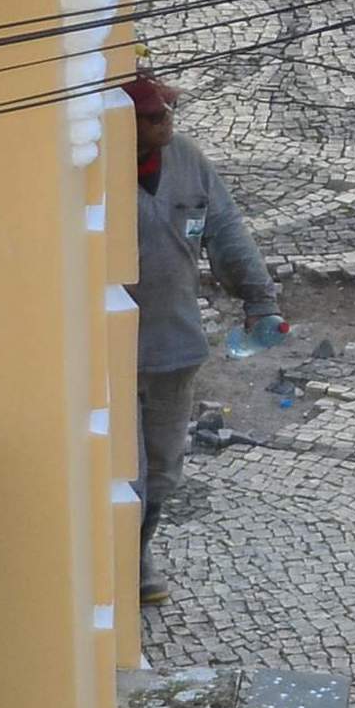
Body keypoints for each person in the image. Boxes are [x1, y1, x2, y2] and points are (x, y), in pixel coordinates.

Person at [128, 68, 279, 610]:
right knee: (128, 473)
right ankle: (124, 564)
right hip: (109, 361)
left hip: (175, 350)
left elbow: (227, 230)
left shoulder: (188, 160)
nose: (165, 120)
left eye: (166, 109)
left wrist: (259, 299)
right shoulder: (92, 173)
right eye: (151, 115)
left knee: (164, 470)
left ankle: (138, 549)